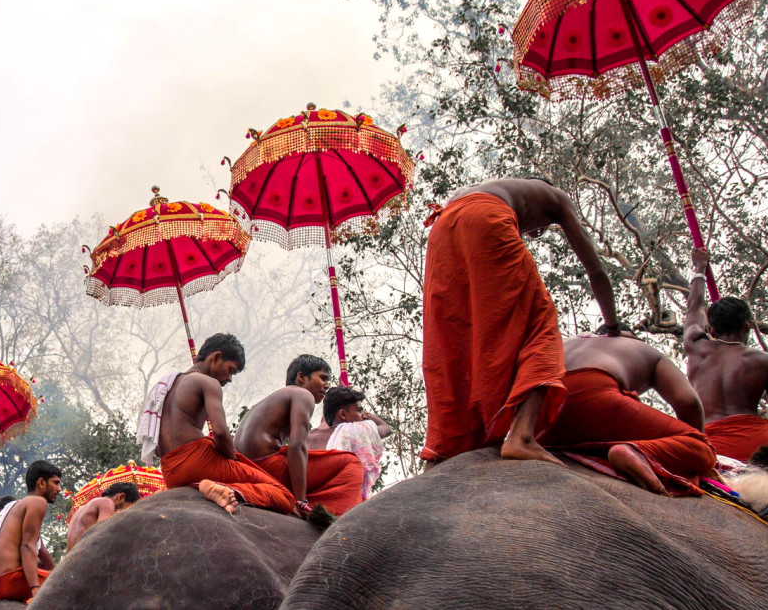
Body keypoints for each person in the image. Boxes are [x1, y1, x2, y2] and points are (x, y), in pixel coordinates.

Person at [421, 178, 620, 466]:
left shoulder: (496, 189)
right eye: (538, 230)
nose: (535, 232)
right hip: (486, 218)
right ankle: (522, 436)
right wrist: (612, 326)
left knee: (455, 334)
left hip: (442, 228)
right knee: (538, 322)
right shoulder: (556, 195)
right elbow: (595, 269)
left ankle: (446, 447)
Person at [138, 332, 296, 515]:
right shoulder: (208, 383)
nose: (229, 379)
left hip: (170, 471)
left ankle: (205, 487)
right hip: (198, 462)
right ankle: (225, 489)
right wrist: (233, 459)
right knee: (284, 496)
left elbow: (156, 448)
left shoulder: (166, 386)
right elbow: (220, 433)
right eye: (230, 370)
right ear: (216, 357)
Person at [538, 334, 717, 495]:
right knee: (701, 448)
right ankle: (636, 452)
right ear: (629, 336)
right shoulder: (639, 347)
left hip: (541, 412)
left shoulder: (569, 342)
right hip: (593, 390)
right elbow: (689, 403)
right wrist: (689, 453)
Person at [684, 247, 768, 462]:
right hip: (759, 444)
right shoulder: (767, 361)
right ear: (748, 326)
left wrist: (700, 268)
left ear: (711, 330)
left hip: (712, 445)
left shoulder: (697, 347)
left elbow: (694, 307)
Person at [235, 355, 365, 515]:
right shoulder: (303, 395)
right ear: (301, 377)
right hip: (267, 465)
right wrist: (300, 501)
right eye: (323, 378)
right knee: (351, 462)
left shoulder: (268, 401)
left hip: (244, 467)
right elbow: (297, 447)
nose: (326, 385)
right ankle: (324, 511)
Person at [0, 460, 60, 603]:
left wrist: (55, 569)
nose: (59, 489)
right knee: (71, 582)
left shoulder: (16, 506)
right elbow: (28, 546)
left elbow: (40, 551)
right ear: (41, 483)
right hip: (13, 580)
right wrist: (35, 589)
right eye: (56, 483)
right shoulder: (38, 502)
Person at [306, 386, 392, 451]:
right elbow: (386, 428)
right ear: (343, 414)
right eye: (359, 411)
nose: (364, 416)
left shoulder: (310, 436)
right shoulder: (356, 432)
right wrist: (366, 413)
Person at [66, 482, 140, 552]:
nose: (122, 511)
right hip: (86, 557)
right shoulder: (107, 502)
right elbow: (104, 533)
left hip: (72, 559)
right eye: (123, 508)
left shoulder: (80, 509)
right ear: (120, 497)